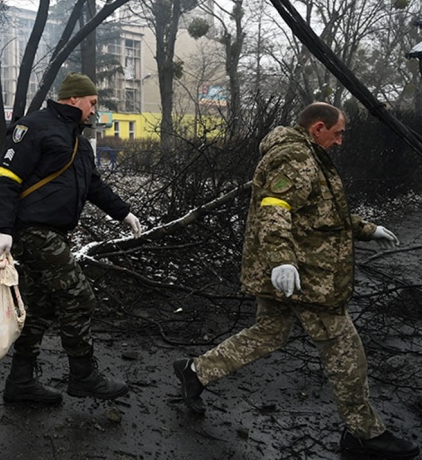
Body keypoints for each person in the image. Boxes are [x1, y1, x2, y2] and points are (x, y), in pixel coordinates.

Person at [173, 102, 419, 459]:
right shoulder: (296, 158)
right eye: (337, 134)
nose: (340, 142)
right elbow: (274, 206)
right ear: (318, 128)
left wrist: (367, 229)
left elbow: (323, 212)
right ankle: (364, 434)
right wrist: (282, 260)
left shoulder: (308, 155)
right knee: (345, 351)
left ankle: (195, 372)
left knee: (270, 332)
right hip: (305, 277)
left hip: (290, 273)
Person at [0, 72, 142, 405]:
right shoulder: (33, 127)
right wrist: (2, 228)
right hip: (32, 231)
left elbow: (95, 187)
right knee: (78, 296)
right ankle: (84, 376)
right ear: (74, 99)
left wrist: (124, 213)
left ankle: (21, 382)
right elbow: (6, 178)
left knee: (40, 307)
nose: (93, 111)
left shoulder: (79, 142)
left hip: (53, 232)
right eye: (92, 103)